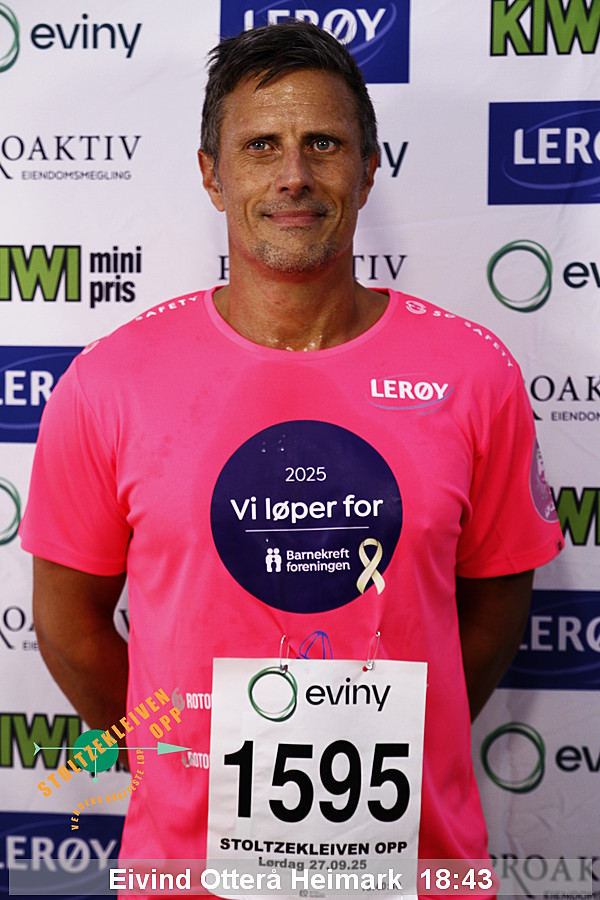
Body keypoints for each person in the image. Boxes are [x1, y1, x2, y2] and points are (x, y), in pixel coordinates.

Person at [20, 20, 564, 883]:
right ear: (213, 174)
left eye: (324, 143)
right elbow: (69, 623)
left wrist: (406, 726)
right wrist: (175, 756)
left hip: (414, 872)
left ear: (369, 167)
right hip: (190, 875)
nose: (294, 175)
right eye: (261, 145)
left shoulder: (473, 371)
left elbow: (496, 606)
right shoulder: (109, 381)